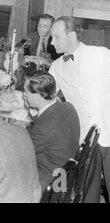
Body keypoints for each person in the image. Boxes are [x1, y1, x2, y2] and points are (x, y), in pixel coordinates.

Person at [49, 16, 110, 202]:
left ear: (73, 35)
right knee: (85, 194)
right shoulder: (56, 67)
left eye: (56, 37)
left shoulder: (101, 55)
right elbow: (45, 97)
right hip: (86, 140)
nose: (52, 43)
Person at [23, 71, 80, 190]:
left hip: (50, 180)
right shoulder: (67, 107)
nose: (24, 95)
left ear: (37, 96)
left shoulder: (44, 129)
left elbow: (21, 149)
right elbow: (44, 127)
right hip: (65, 172)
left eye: (26, 92)